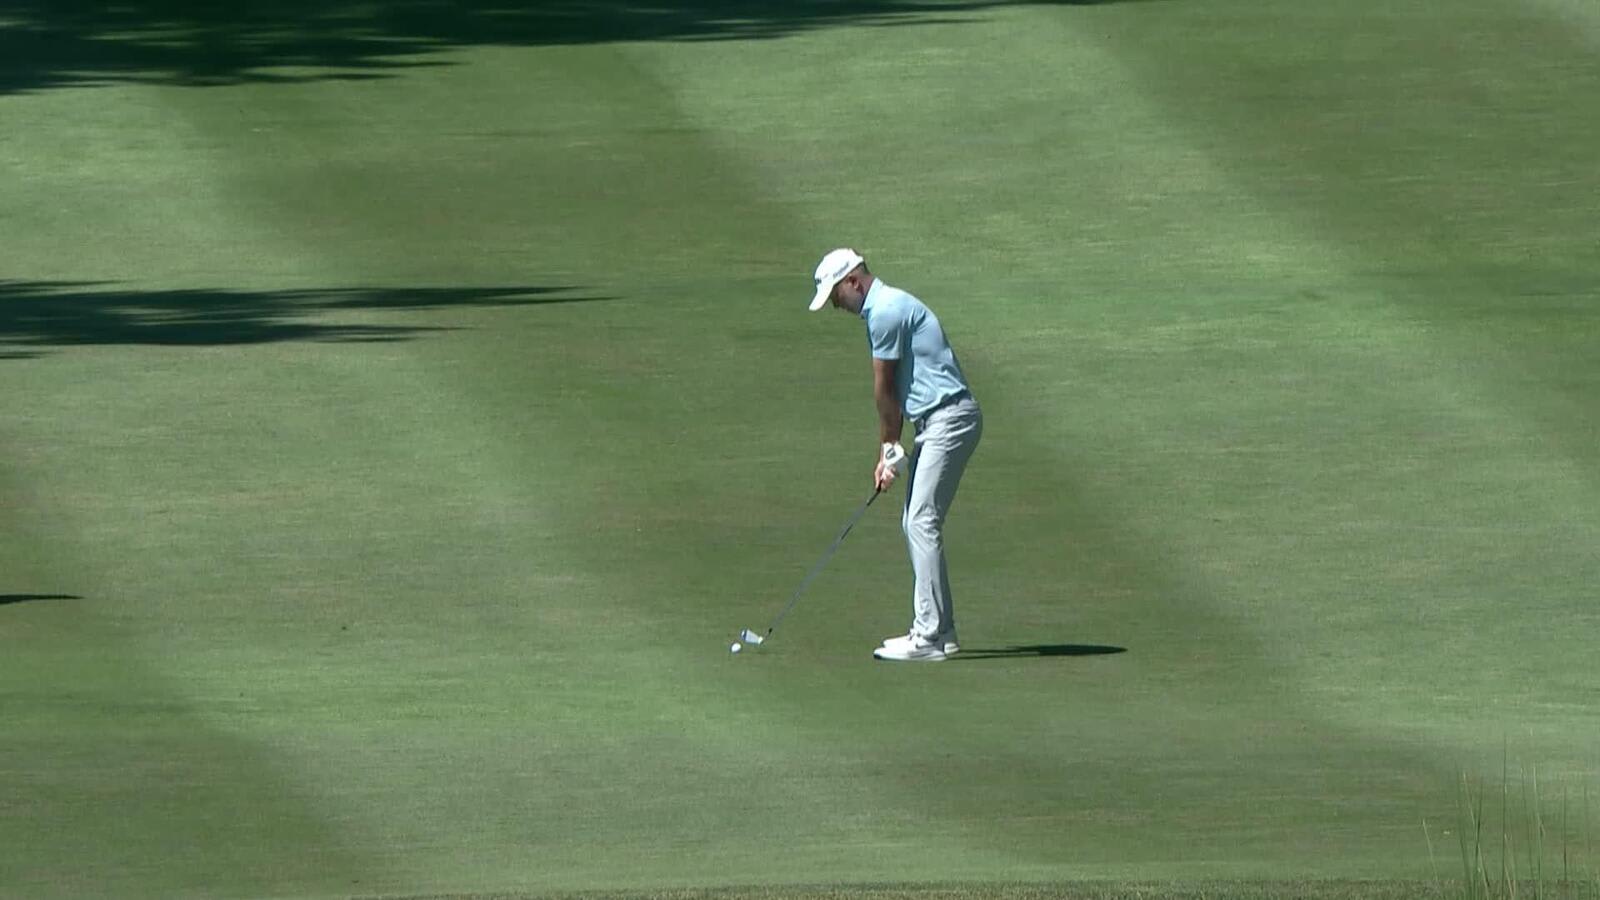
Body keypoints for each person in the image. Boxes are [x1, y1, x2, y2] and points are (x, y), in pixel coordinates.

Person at [808, 248, 983, 661]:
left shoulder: (885, 311)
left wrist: (888, 450)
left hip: (949, 418)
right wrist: (891, 450)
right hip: (937, 421)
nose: (837, 306)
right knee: (915, 520)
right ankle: (943, 631)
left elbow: (884, 390)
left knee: (921, 520)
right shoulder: (885, 308)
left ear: (853, 281)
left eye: (836, 296)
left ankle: (929, 636)